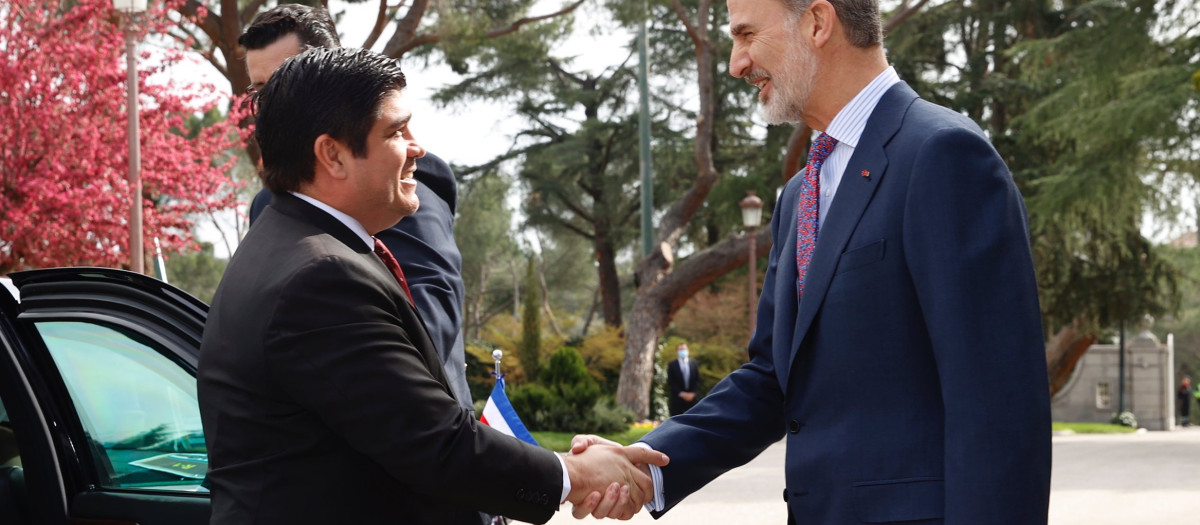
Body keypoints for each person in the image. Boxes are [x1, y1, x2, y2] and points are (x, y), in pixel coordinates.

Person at [575, 0, 1052, 522]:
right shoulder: (799, 194)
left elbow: (998, 408)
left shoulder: (944, 156)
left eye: (747, 35)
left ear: (817, 23)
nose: (736, 64)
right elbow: (773, 378)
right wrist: (648, 466)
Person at [197, 47, 668, 524]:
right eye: (396, 131)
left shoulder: (292, 246)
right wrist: (572, 474)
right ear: (332, 155)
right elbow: (435, 444)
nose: (418, 147)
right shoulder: (320, 279)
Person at [239, 5, 475, 413]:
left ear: (327, 74)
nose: (269, 103)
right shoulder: (268, 204)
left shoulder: (395, 183)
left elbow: (428, 327)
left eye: (282, 81)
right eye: (258, 92)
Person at [666, 343, 700, 417]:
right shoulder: (672, 365)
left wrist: (693, 393)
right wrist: (682, 394)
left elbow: (697, 380)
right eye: (680, 349)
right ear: (677, 352)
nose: (683, 351)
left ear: (688, 350)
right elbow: (671, 381)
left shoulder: (694, 363)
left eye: (684, 349)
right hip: (677, 399)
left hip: (692, 399)